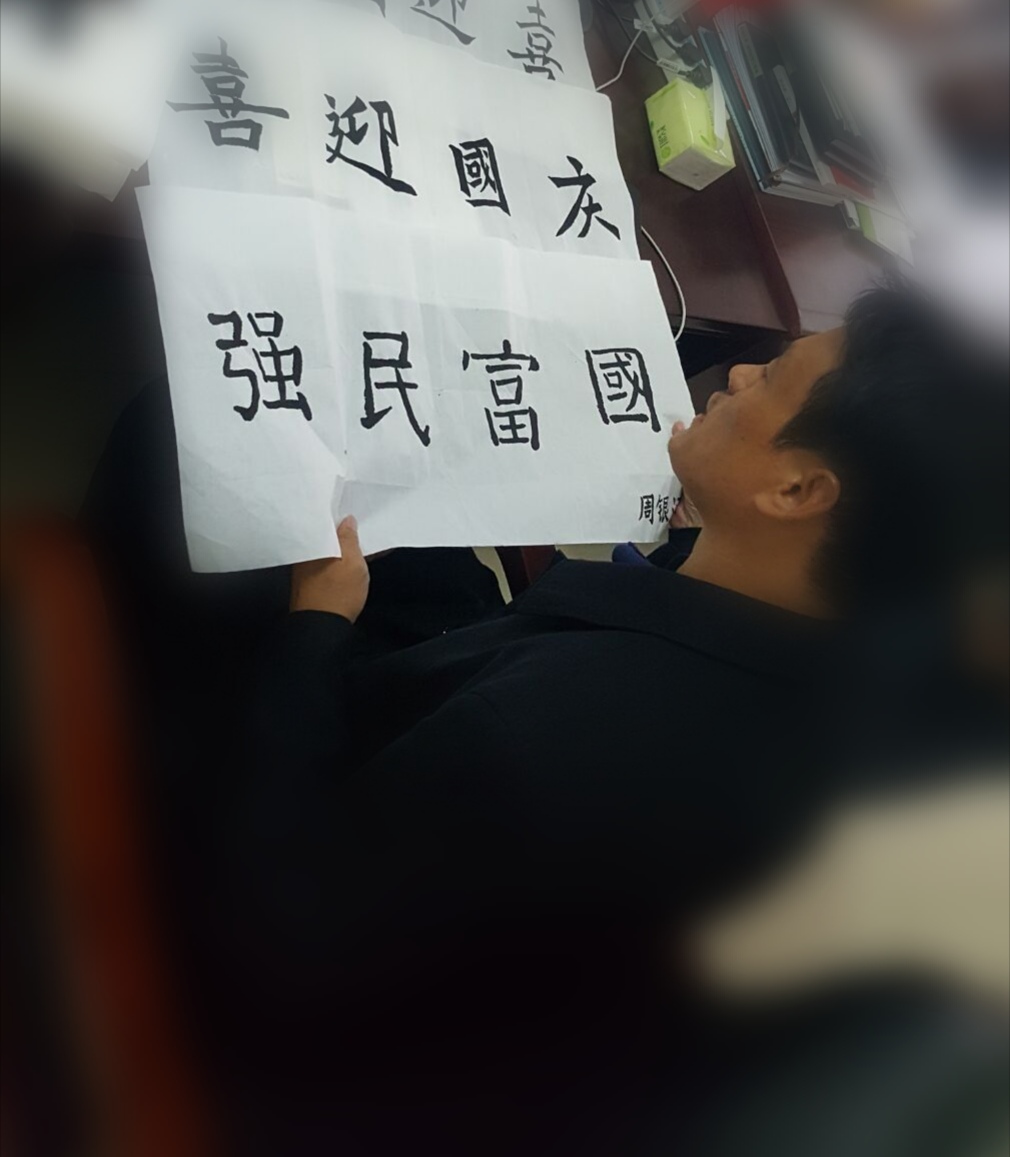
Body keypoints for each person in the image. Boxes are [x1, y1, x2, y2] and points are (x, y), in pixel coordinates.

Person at [202, 285, 1002, 1155]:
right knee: (406, 521)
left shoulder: (533, 733)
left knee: (183, 461)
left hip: (319, 994)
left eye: (773, 374)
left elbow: (280, 924)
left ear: (797, 488)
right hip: (540, 938)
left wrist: (315, 626)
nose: (737, 373)